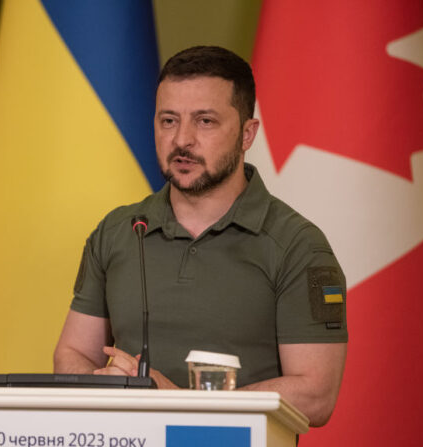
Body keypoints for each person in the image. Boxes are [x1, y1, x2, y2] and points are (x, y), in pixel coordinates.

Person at [53, 46, 347, 427]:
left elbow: (316, 394)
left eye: (205, 121)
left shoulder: (298, 246)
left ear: (247, 134)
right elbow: (73, 353)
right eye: (168, 120)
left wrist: (178, 402)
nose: (182, 140)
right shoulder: (118, 231)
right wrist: (108, 385)